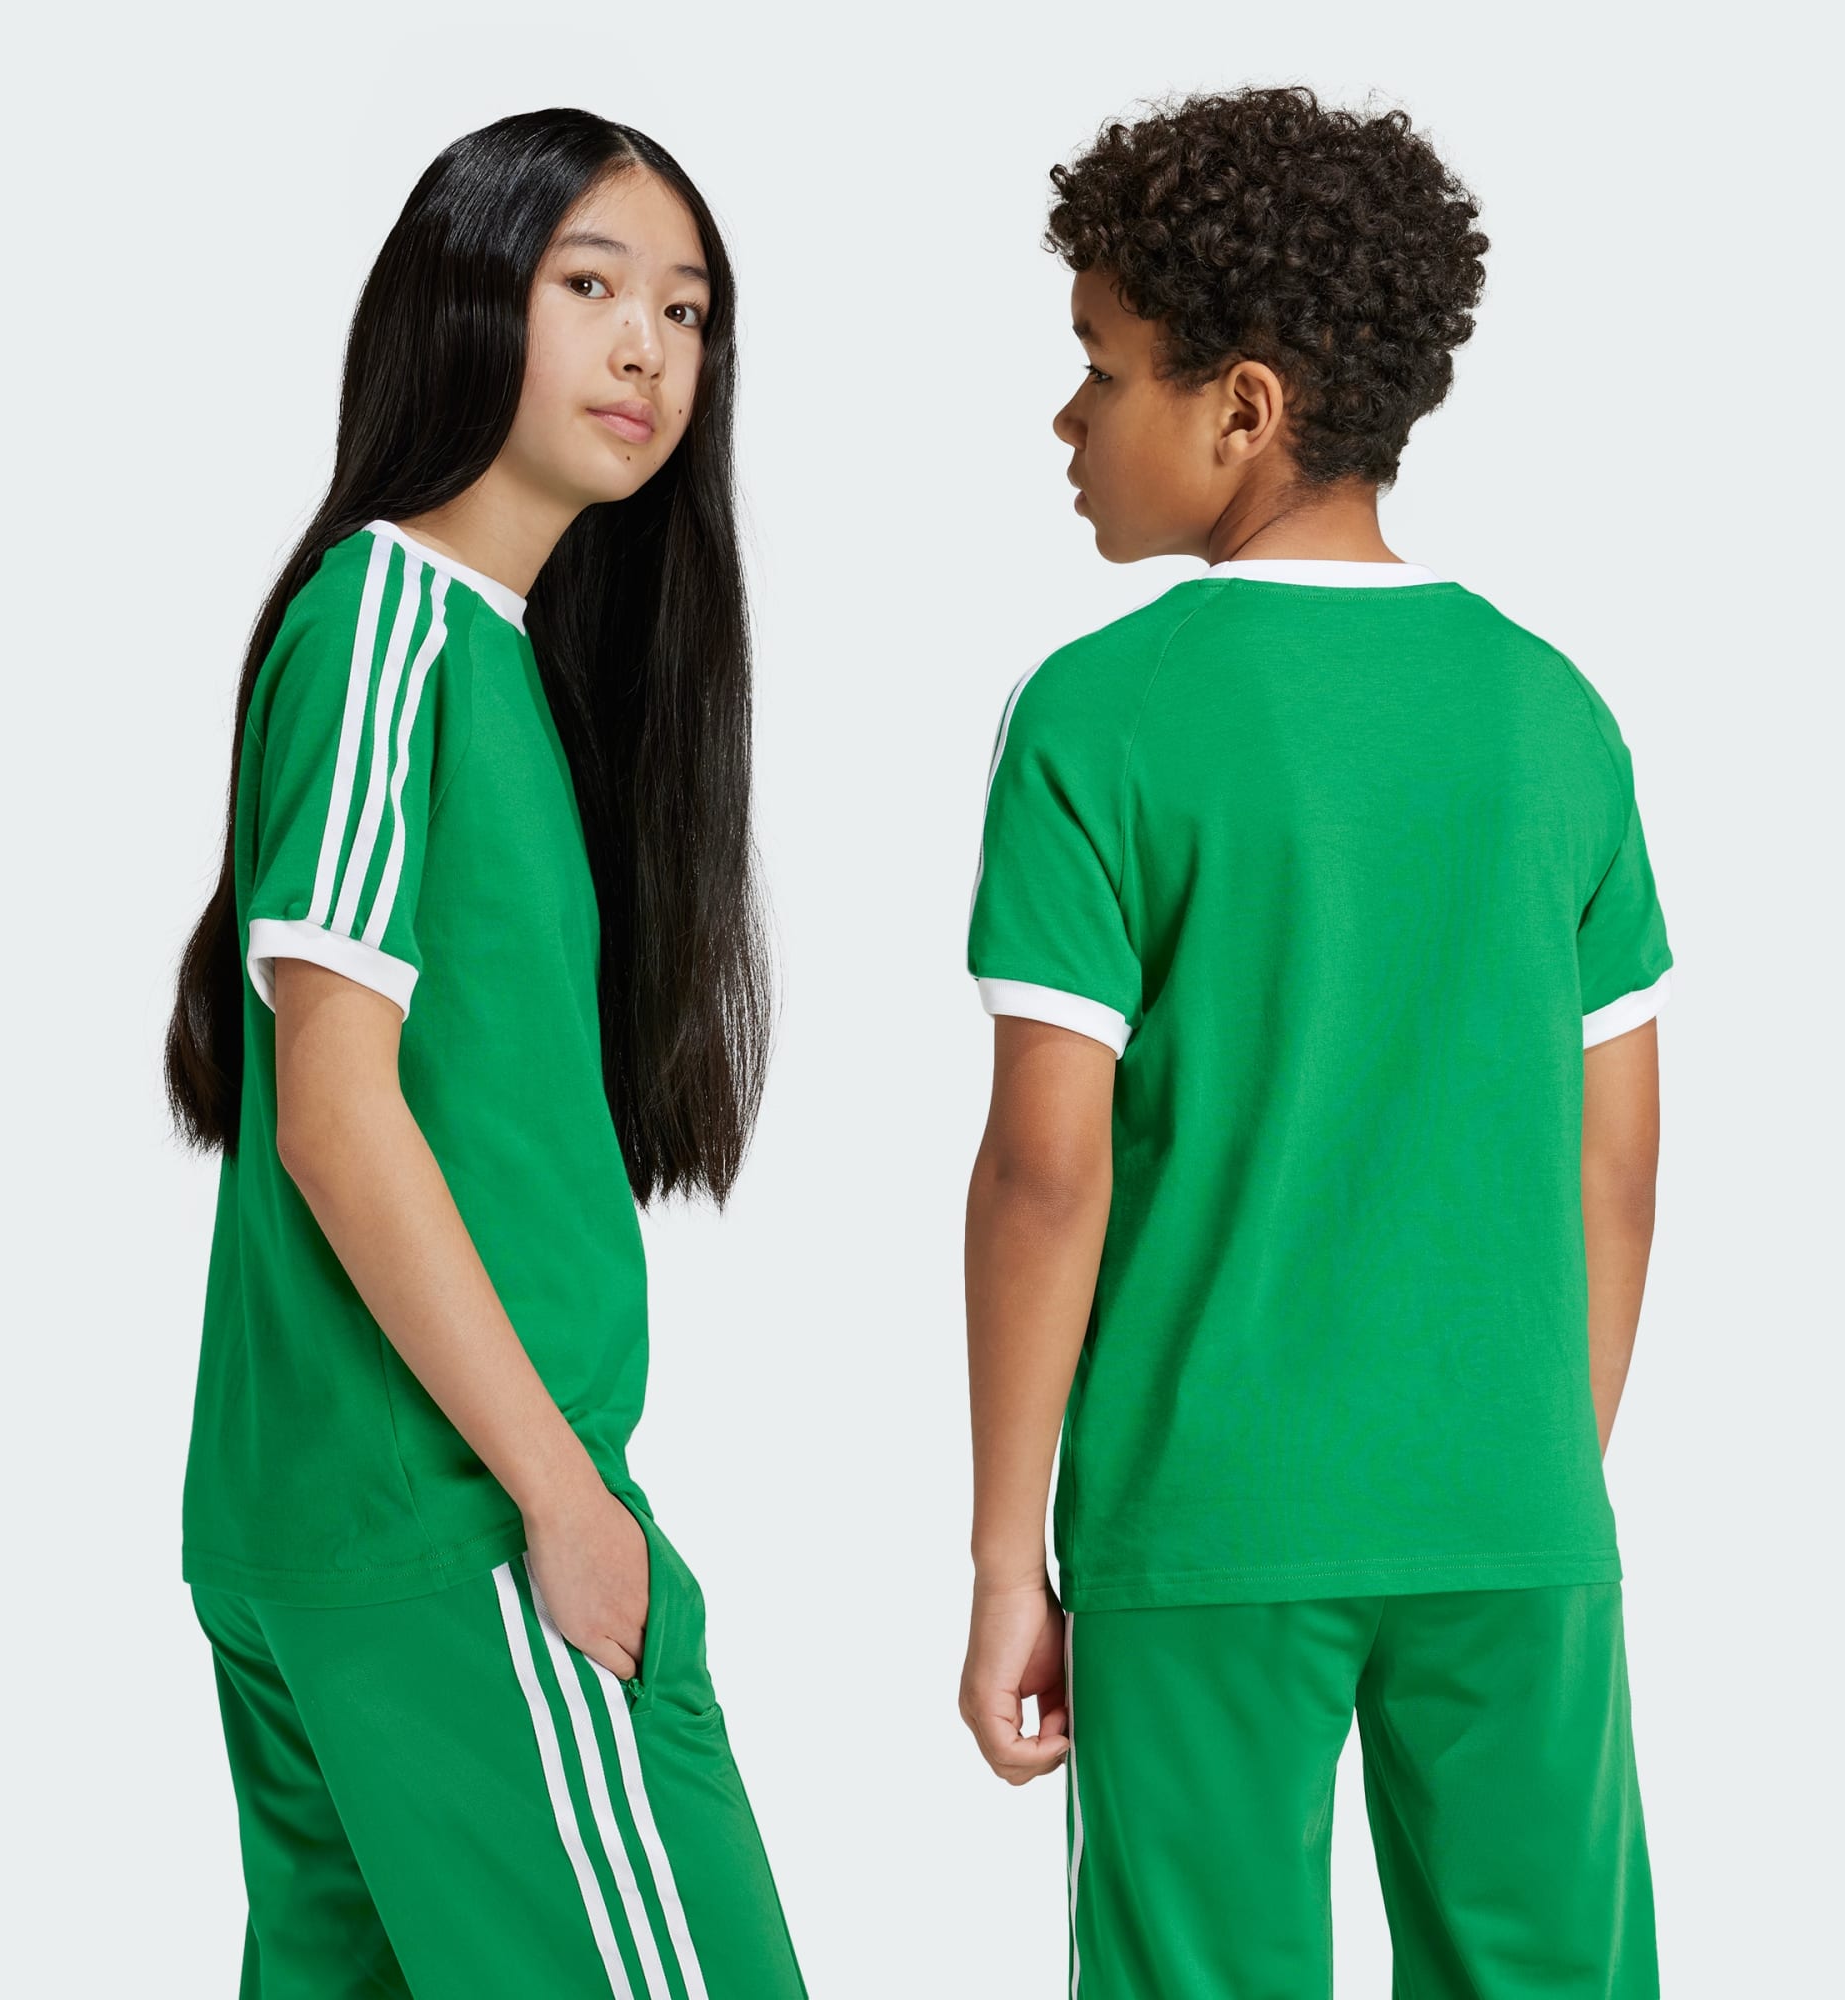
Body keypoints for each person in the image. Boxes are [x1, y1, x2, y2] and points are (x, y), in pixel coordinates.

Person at [958, 86, 1669, 1997]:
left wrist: (1009, 1560)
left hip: (1205, 1517)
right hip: (1513, 1513)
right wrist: (1525, 1470)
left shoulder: (1099, 717)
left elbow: (1046, 1176)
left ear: (1245, 407)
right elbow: (1614, 1164)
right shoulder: (1556, 714)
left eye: (1101, 367)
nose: (1068, 420)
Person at [166, 109, 803, 1999]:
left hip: (347, 1522)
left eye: (686, 312)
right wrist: (561, 1497)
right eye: (589, 284)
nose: (646, 349)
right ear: (460, 302)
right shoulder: (393, 620)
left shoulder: (499, 655)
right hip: (456, 1520)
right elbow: (333, 1106)